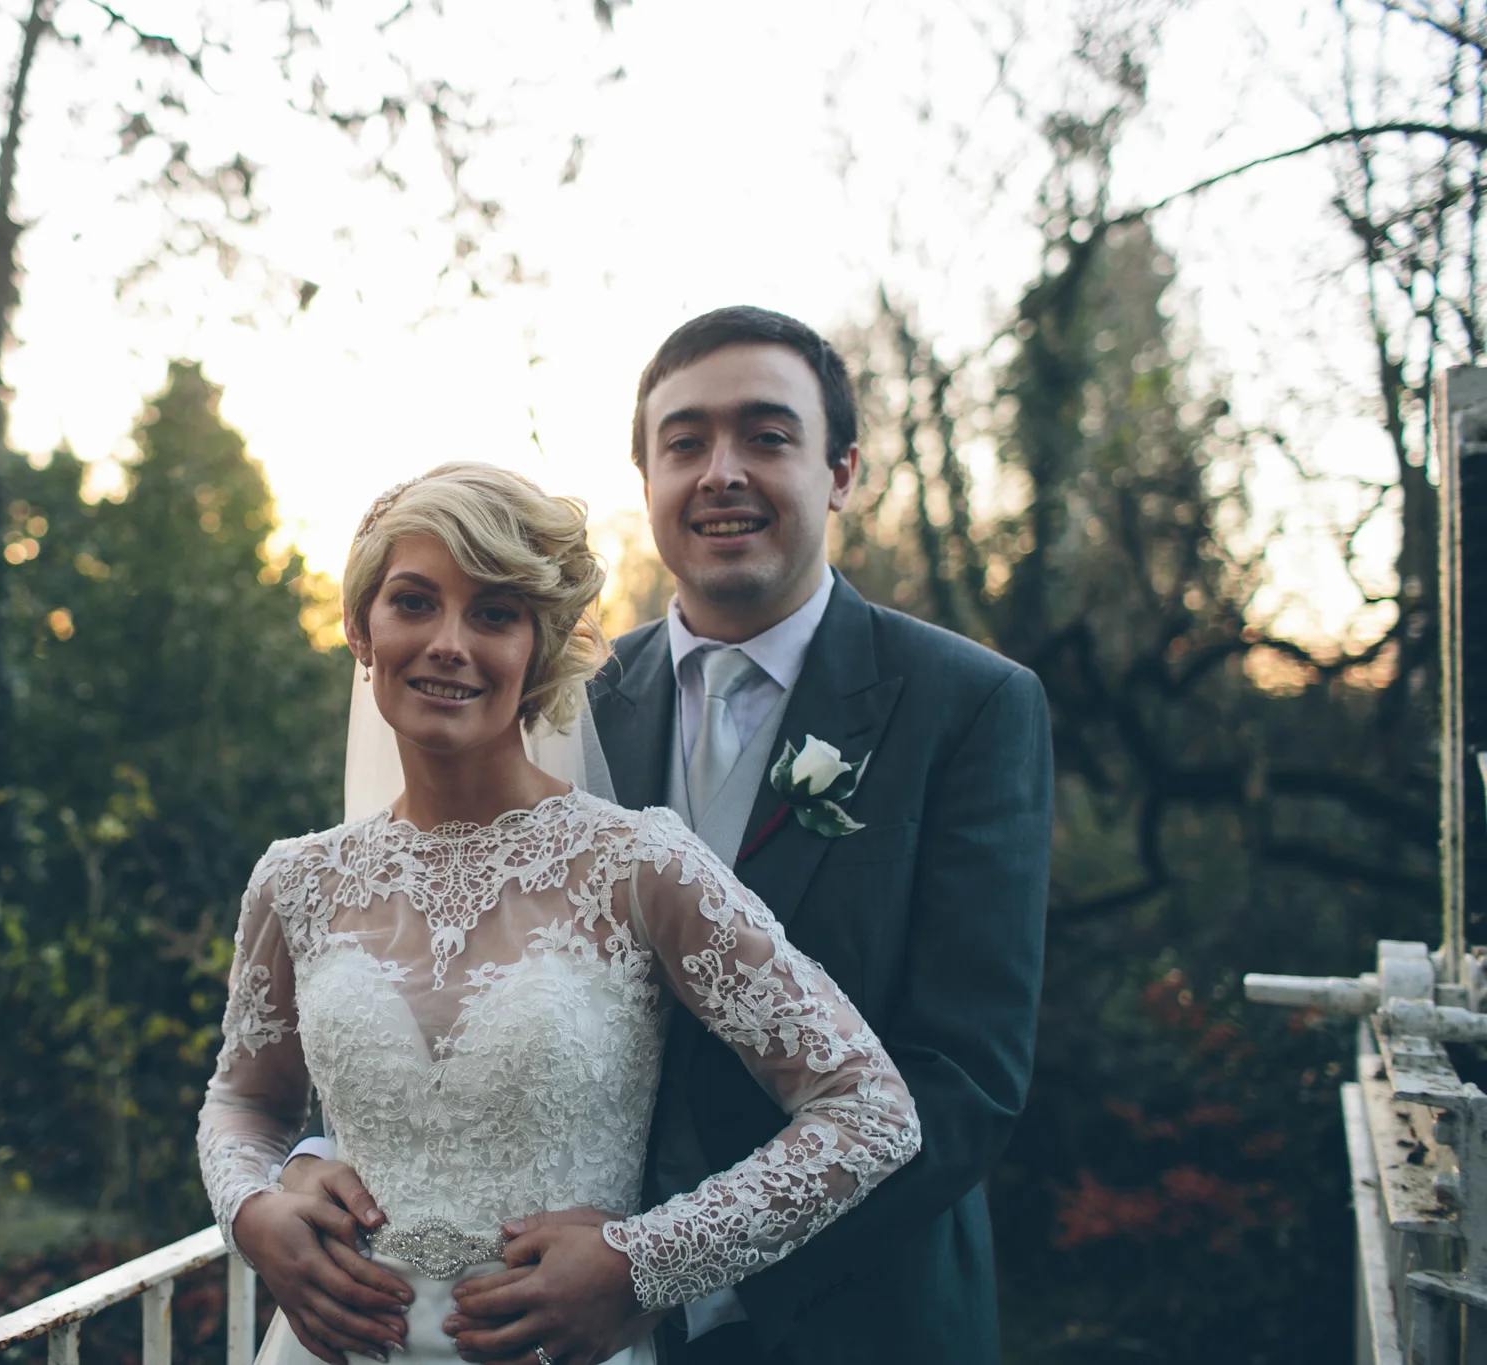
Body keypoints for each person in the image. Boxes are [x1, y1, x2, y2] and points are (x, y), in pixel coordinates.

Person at [277, 308, 1053, 1365]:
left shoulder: (968, 705)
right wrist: (322, 1160)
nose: (720, 471)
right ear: (644, 477)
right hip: (534, 1322)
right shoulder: (546, 692)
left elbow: (963, 1075)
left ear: (840, 471)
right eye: (684, 442)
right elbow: (424, 952)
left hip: (849, 1317)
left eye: (766, 436)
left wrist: (665, 1267)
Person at [196, 461, 921, 1365]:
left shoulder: (638, 864)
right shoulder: (295, 880)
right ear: (360, 628)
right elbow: (244, 1100)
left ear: (540, 649)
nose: (449, 642)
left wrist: (644, 1263)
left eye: (494, 613)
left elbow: (869, 1107)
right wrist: (253, 1208)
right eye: (414, 602)